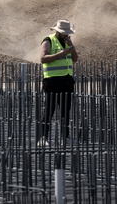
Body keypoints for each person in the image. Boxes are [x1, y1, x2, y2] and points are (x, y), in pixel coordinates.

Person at [37, 19, 79, 147]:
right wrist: (62, 53)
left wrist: (71, 47)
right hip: (52, 80)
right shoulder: (48, 40)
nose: (66, 35)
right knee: (50, 109)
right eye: (64, 32)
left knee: (65, 110)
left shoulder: (67, 42)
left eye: (67, 33)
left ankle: (65, 137)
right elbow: (43, 58)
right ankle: (43, 137)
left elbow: (75, 59)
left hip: (67, 80)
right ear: (58, 31)